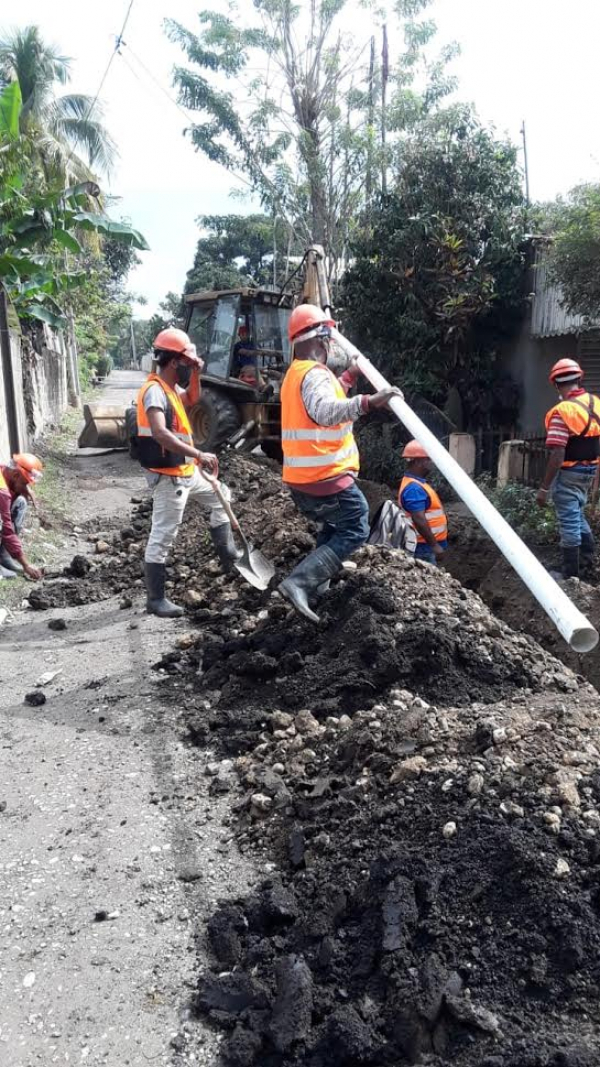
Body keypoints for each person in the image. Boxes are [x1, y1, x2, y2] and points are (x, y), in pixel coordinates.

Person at [278, 304, 401, 622]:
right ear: (321, 339)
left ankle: (317, 591)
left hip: (303, 477)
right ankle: (299, 582)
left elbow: (321, 402)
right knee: (356, 522)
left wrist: (349, 377)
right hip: (324, 475)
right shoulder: (315, 374)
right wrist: (368, 402)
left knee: (333, 527)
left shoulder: (298, 374)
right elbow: (324, 411)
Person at [137, 327, 241, 618]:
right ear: (173, 362)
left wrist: (195, 372)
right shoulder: (155, 391)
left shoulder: (170, 389)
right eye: (186, 363)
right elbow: (159, 432)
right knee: (163, 535)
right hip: (170, 476)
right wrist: (198, 454)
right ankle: (156, 599)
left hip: (185, 471)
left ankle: (228, 555)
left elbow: (193, 398)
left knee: (223, 495)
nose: (188, 368)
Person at [536, 358, 600, 578]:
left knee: (569, 520)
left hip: (571, 472)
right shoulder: (596, 403)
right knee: (577, 513)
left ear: (556, 384)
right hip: (589, 470)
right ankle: (588, 561)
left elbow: (558, 453)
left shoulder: (562, 411)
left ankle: (571, 573)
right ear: (579, 378)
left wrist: (544, 489)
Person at [398, 440, 448, 564]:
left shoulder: (416, 483)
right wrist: (435, 546)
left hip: (425, 546)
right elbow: (419, 519)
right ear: (419, 461)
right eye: (428, 459)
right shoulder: (414, 488)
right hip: (423, 548)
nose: (431, 462)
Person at [0, 453, 44, 581]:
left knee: (20, 502)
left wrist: (25, 490)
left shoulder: (4, 471)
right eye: (25, 483)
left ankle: (4, 557)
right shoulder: (2, 493)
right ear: (15, 475)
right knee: (1, 522)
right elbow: (7, 531)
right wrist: (26, 565)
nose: (27, 487)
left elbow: (13, 487)